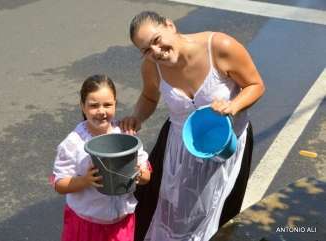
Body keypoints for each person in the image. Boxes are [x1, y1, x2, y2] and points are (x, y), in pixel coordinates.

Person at [120, 11, 265, 241]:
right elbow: (149, 97)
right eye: (146, 50)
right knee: (165, 211)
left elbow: (255, 85)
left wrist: (233, 106)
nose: (156, 52)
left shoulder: (220, 47)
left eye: (157, 40)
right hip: (178, 150)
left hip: (226, 147)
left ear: (170, 25)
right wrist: (137, 117)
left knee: (216, 215)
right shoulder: (151, 66)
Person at [51, 74, 152, 241]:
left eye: (107, 105)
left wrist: (138, 173)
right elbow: (59, 184)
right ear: (82, 106)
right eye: (93, 105)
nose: (101, 111)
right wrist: (85, 180)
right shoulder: (73, 143)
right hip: (86, 224)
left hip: (121, 223)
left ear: (115, 104)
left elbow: (146, 176)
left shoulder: (125, 135)